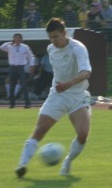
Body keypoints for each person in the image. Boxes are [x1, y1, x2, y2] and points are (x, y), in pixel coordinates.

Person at [15, 18, 92, 178]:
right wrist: (61, 86)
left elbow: (86, 73)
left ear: (64, 33)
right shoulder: (51, 49)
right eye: (50, 37)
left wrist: (69, 84)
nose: (53, 41)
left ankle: (67, 161)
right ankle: (21, 165)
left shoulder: (78, 48)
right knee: (39, 130)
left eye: (56, 37)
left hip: (77, 96)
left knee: (83, 134)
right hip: (57, 95)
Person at [0, 33, 35, 108]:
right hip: (12, 67)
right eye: (16, 38)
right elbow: (1, 47)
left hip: (21, 67)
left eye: (19, 38)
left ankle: (27, 104)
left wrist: (32, 65)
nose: (17, 39)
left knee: (24, 85)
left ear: (21, 39)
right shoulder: (10, 46)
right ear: (13, 39)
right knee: (12, 85)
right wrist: (10, 42)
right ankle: (12, 104)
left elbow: (31, 57)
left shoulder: (25, 47)